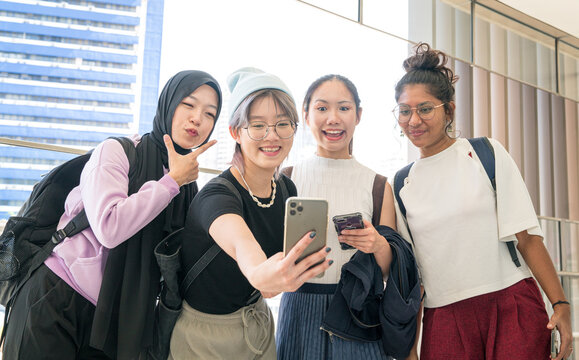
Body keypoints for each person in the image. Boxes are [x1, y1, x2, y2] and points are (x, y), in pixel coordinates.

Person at [2, 70, 222, 360]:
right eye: (189, 104)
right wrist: (170, 183)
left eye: (210, 113)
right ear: (168, 103)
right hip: (55, 294)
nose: (197, 118)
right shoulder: (118, 151)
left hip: (113, 322)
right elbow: (109, 226)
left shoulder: (189, 190)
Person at [392, 43, 573, 360]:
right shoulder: (401, 184)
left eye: (425, 108)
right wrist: (411, 350)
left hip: (511, 304)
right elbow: (414, 281)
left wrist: (561, 305)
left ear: (448, 109)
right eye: (405, 110)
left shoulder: (485, 153)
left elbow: (528, 239)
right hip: (444, 318)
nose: (413, 120)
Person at [168, 67, 333, 360]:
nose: (272, 136)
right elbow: (244, 246)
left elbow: (268, 286)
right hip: (204, 336)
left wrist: (278, 278)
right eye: (257, 126)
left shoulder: (285, 190)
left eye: (283, 124)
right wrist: (260, 274)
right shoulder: (217, 196)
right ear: (235, 132)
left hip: (257, 323)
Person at [276, 74, 397, 359]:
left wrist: (377, 244)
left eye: (343, 108)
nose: (333, 118)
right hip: (298, 304)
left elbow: (389, 270)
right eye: (321, 108)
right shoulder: (284, 180)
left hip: (359, 309)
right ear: (305, 115)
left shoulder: (378, 185)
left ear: (358, 115)